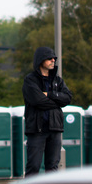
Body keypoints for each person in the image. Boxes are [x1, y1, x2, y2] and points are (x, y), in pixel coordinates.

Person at [23, 46, 73, 176]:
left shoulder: (57, 80)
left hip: (55, 129)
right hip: (36, 130)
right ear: (41, 60)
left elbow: (68, 98)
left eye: (54, 59)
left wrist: (49, 94)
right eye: (50, 58)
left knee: (53, 168)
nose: (53, 60)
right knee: (33, 166)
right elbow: (38, 101)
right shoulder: (30, 80)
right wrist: (57, 103)